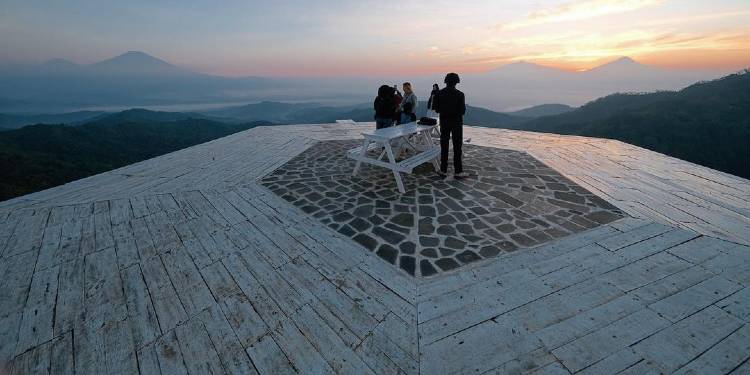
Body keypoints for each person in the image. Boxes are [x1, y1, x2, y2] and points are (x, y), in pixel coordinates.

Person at [433, 72, 467, 179]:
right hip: (456, 122)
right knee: (457, 146)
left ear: (446, 81)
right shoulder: (460, 94)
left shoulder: (439, 93)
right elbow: (462, 111)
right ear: (456, 82)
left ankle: (443, 170)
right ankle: (458, 171)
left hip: (444, 121)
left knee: (444, 145)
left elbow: (436, 108)